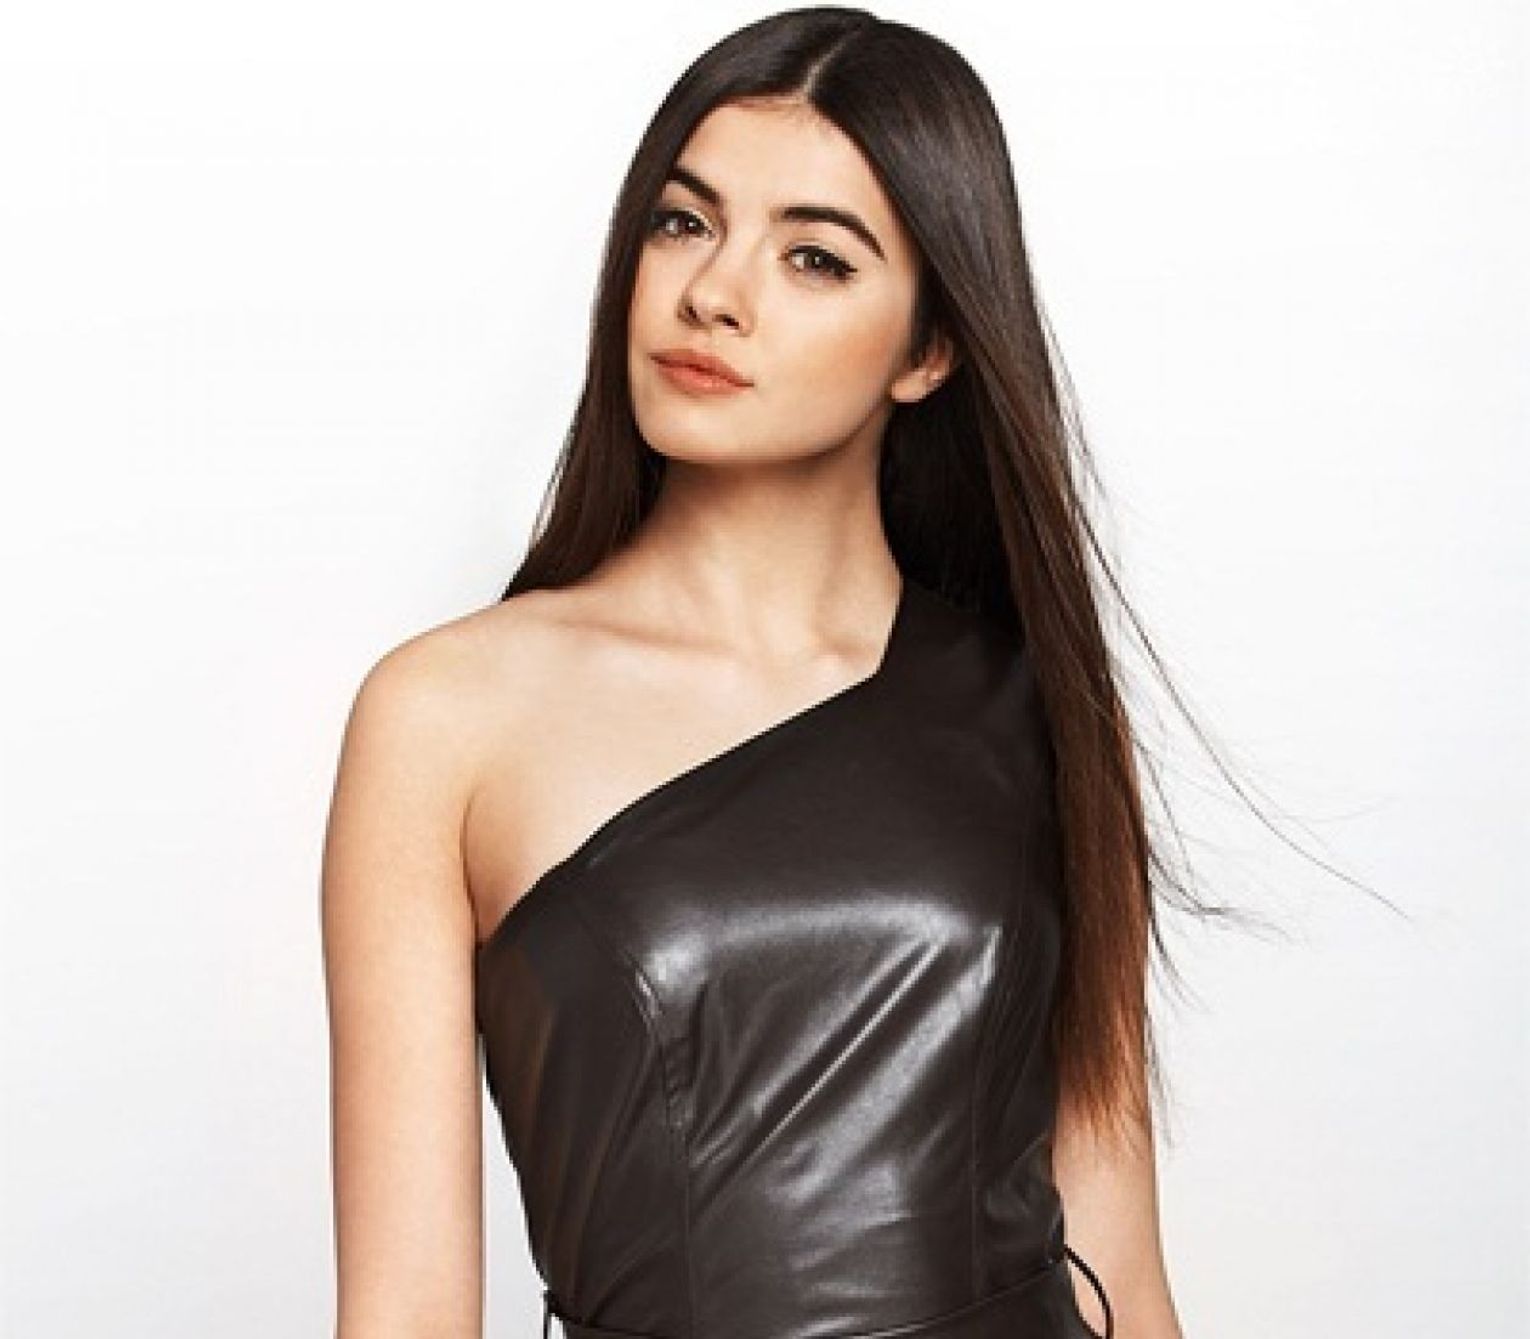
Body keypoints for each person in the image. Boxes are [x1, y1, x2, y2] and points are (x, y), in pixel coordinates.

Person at [323, 8, 1190, 1337]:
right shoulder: (445, 717)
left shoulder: (1040, 708)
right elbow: (405, 1311)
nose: (713, 293)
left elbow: (1118, 1262)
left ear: (929, 349)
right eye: (683, 222)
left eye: (813, 257)